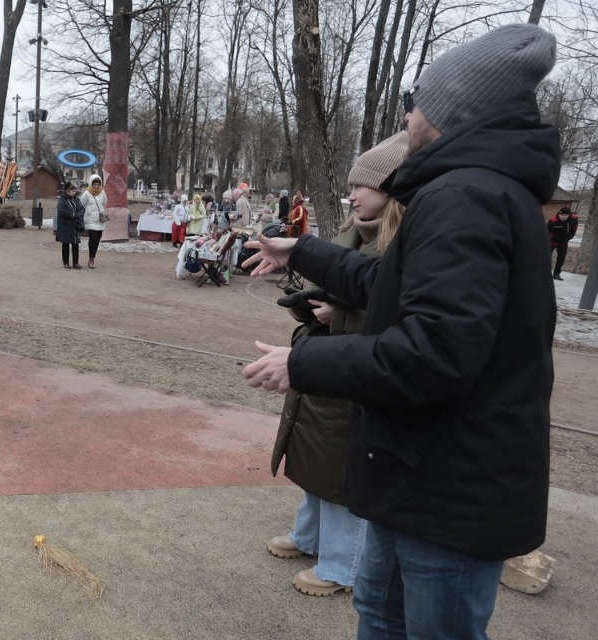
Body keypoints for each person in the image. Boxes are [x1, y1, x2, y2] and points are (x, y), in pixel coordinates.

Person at [241, 24, 560, 638]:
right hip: (420, 475)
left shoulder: (467, 196)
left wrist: (301, 364)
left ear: (449, 110)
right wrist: (302, 250)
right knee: (381, 618)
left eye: (417, 100)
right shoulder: (468, 189)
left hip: (448, 488)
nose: (408, 113)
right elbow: (392, 282)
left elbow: (434, 353)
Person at [266, 131, 409, 598]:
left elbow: (396, 321)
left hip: (356, 375)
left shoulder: (402, 246)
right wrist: (309, 307)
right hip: (328, 368)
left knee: (343, 471)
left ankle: (343, 565)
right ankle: (309, 537)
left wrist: (338, 314)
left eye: (362, 186)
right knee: (315, 460)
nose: (352, 195)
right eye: (350, 186)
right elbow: (342, 294)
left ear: (390, 190)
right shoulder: (351, 234)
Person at [80, 174, 107, 269]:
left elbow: (104, 203)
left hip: (100, 220)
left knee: (97, 239)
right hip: (90, 219)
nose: (96, 186)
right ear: (91, 184)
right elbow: (82, 204)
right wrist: (89, 212)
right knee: (93, 238)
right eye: (94, 184)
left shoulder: (103, 193)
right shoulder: (86, 193)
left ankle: (92, 256)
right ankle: (91, 258)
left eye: (98, 184)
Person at [56, 182, 85, 269]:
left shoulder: (77, 200)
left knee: (75, 243)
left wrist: (80, 213)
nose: (74, 192)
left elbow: (82, 208)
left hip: (75, 225)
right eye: (72, 190)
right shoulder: (62, 200)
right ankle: (66, 262)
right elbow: (61, 211)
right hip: (65, 225)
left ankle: (75, 263)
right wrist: (73, 215)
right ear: (67, 191)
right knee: (65, 243)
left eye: (74, 190)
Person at [548, 206, 578, 280]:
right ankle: (544, 272)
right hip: (551, 243)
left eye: (565, 215)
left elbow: (574, 229)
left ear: (569, 215)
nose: (563, 217)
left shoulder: (573, 220)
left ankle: (556, 274)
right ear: (559, 214)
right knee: (545, 257)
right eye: (561, 215)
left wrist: (570, 236)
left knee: (561, 258)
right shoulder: (553, 221)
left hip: (563, 243)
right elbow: (546, 232)